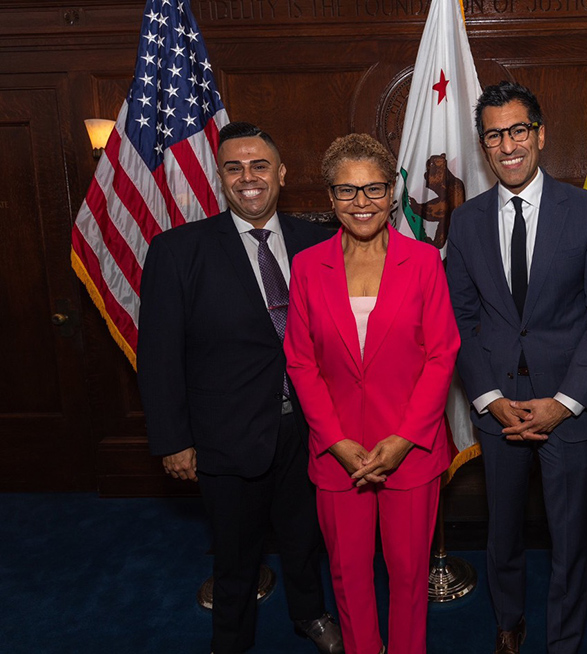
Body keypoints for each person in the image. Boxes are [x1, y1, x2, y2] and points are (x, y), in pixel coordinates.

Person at [138, 122, 343, 654]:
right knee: (233, 556)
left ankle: (311, 614)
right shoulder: (178, 250)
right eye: (234, 167)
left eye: (258, 166)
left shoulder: (320, 241)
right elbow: (158, 355)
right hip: (225, 436)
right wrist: (172, 440)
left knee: (304, 538)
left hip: (310, 428)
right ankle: (230, 640)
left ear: (280, 174)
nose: (247, 177)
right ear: (220, 178)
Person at [445, 81, 587, 654]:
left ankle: (565, 640)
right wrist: (489, 399)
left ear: (540, 135)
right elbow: (461, 319)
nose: (508, 144)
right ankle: (508, 624)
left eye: (518, 130)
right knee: (502, 533)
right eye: (495, 134)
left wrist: (564, 402)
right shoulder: (467, 221)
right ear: (484, 146)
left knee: (569, 538)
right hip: (497, 405)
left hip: (569, 409)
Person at [284, 133, 461, 654]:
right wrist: (336, 442)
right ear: (330, 198)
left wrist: (405, 438)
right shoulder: (307, 267)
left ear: (391, 192)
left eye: (373, 189)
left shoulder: (425, 263)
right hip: (338, 456)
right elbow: (300, 361)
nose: (361, 203)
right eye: (347, 191)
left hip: (410, 451)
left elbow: (441, 355)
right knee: (348, 579)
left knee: (409, 580)